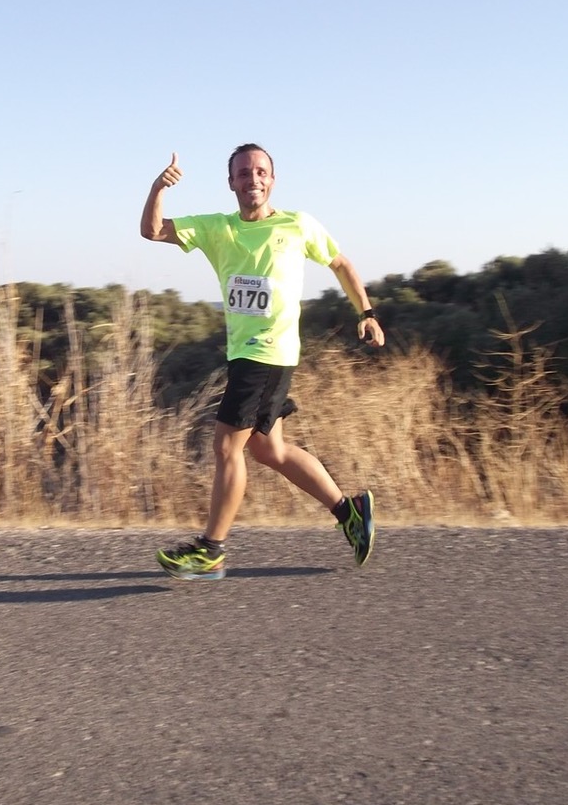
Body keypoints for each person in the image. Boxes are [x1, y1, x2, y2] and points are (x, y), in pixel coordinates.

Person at [140, 143, 385, 581]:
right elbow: (153, 230)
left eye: (260, 171)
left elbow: (340, 263)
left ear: (272, 179)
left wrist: (366, 312)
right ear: (231, 182)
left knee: (226, 447)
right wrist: (160, 187)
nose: (252, 178)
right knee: (269, 449)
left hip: (269, 353)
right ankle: (349, 511)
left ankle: (211, 551)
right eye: (243, 173)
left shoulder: (297, 224)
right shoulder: (217, 228)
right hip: (243, 353)